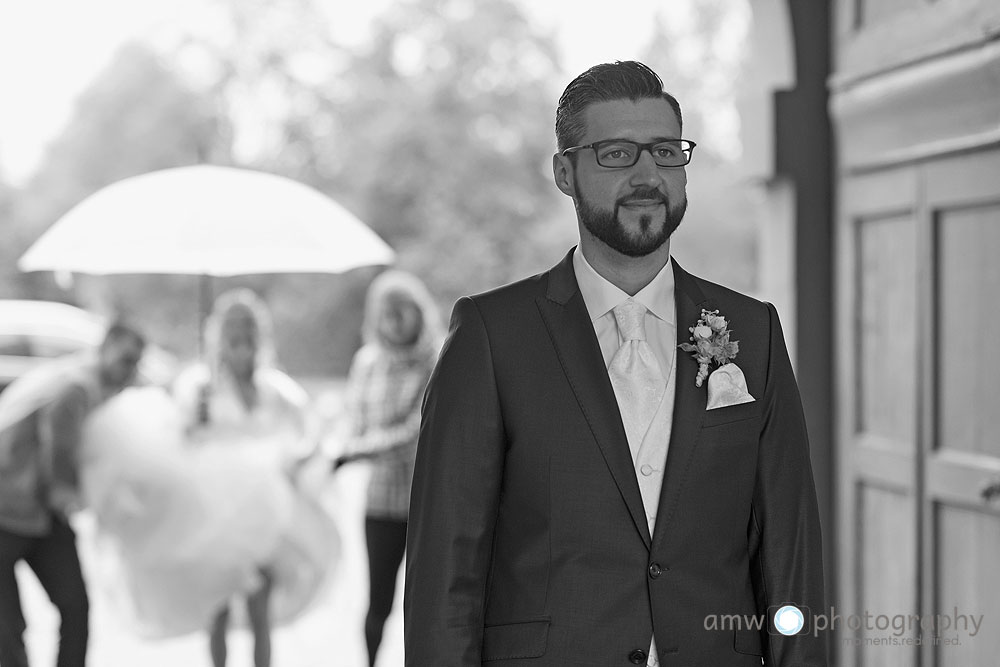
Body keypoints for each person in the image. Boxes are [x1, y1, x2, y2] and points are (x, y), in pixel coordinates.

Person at [404, 61, 828, 666]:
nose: (648, 174)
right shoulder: (491, 337)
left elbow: (791, 558)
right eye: (616, 154)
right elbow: (445, 576)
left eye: (664, 151)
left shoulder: (752, 331)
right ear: (564, 172)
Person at [173, 288, 335, 667]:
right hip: (216, 514)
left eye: (248, 332)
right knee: (218, 609)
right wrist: (195, 419)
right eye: (233, 333)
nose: (241, 342)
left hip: (262, 516)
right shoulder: (200, 388)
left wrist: (298, 460)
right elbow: (183, 444)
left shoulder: (275, 389)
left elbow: (308, 433)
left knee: (259, 607)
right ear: (220, 338)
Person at [0, 322, 145, 667]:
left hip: (39, 515)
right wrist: (72, 500)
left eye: (135, 363)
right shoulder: (77, 387)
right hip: (8, 511)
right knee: (9, 629)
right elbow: (59, 452)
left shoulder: (87, 382)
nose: (130, 371)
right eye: (126, 360)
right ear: (106, 348)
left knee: (74, 607)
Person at [334, 270, 442, 667]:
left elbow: (419, 431)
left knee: (427, 606)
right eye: (386, 313)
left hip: (427, 504)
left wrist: (353, 453)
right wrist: (351, 448)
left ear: (419, 312)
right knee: (377, 602)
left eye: (402, 311)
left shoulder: (439, 359)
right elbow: (354, 422)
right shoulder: (367, 363)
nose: (395, 320)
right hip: (380, 502)